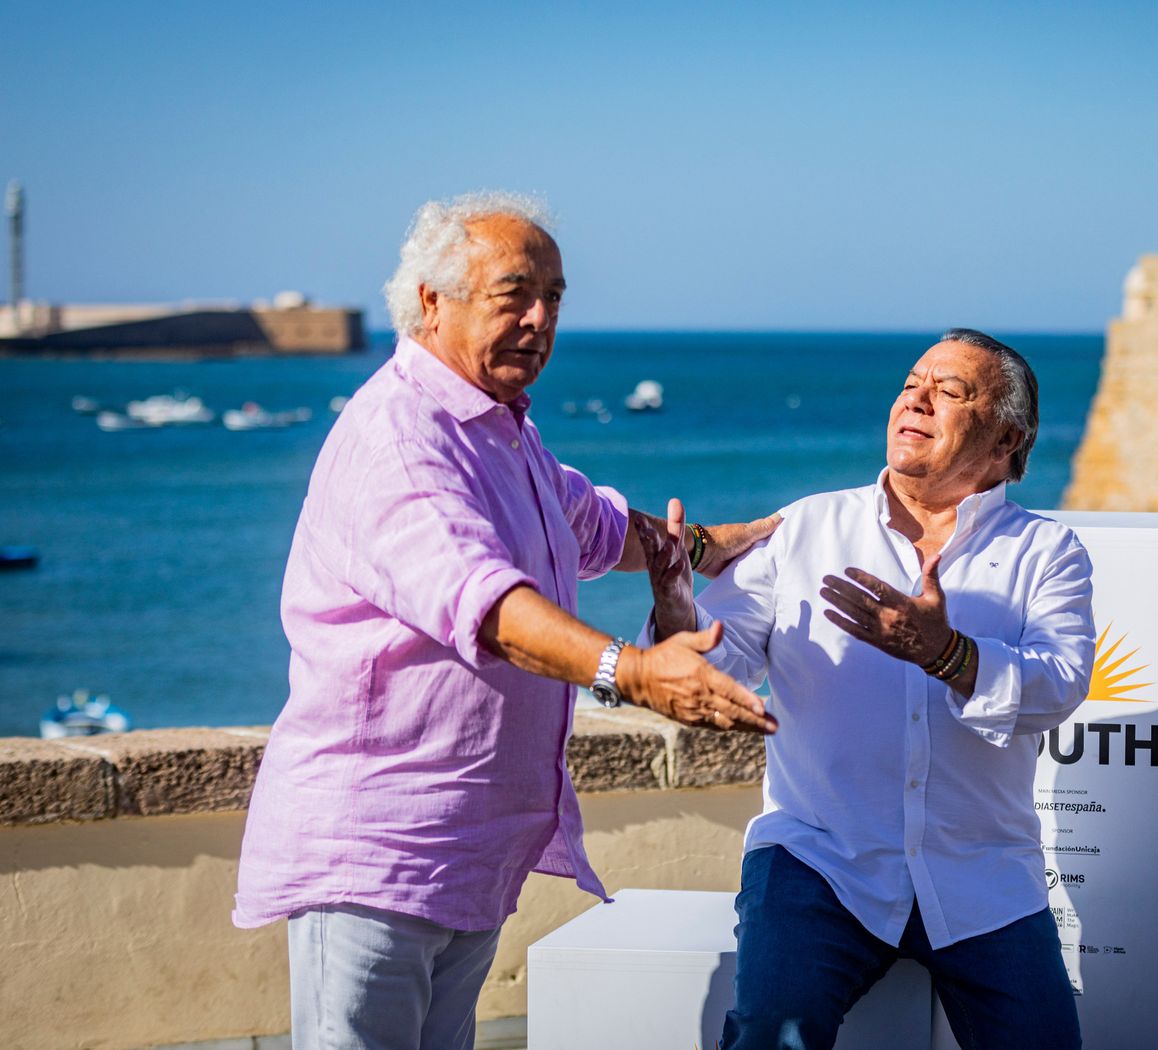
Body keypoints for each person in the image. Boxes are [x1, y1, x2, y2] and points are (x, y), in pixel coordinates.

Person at [233, 191, 776, 1050]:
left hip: (466, 851)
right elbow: (484, 605)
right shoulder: (400, 438)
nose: (539, 319)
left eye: (555, 298)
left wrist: (712, 547)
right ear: (430, 302)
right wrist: (632, 672)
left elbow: (594, 524)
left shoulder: (498, 431)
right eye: (514, 294)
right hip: (380, 851)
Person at [640, 329, 1094, 1050]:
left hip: (981, 872)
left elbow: (1060, 686)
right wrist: (674, 610)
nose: (916, 397)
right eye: (912, 382)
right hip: (820, 859)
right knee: (769, 1034)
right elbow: (718, 672)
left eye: (949, 391)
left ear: (1006, 438)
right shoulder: (806, 527)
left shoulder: (1047, 553)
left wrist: (947, 654)